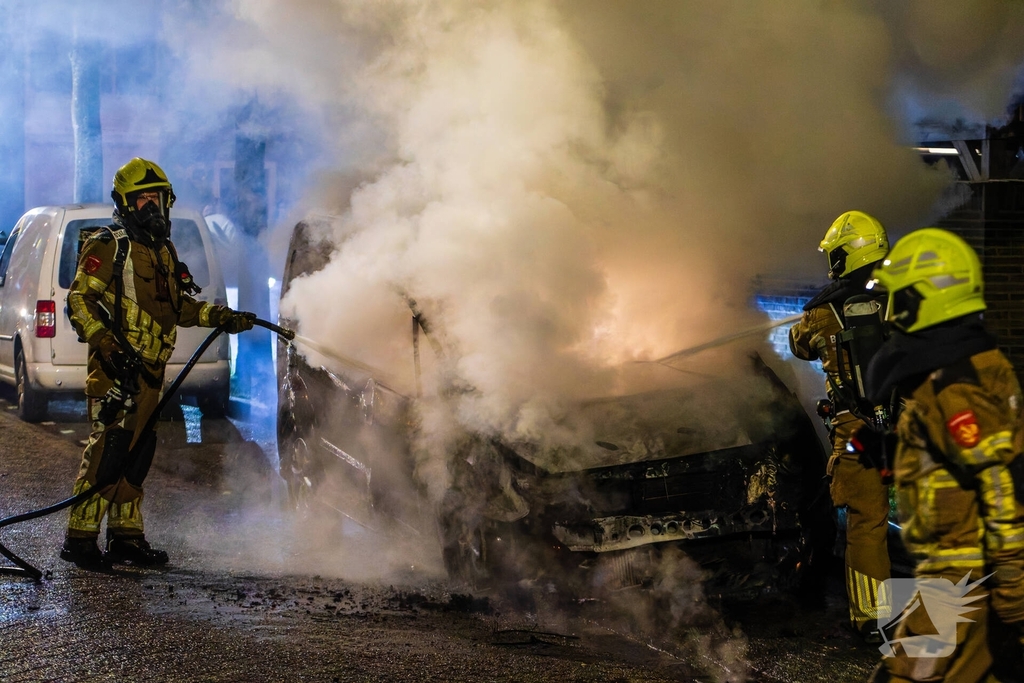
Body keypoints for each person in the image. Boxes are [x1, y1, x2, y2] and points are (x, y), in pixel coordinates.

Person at [60, 158, 256, 570]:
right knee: (109, 452)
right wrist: (106, 345)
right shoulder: (109, 244)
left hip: (151, 371)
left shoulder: (163, 250)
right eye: (141, 199)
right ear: (125, 204)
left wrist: (219, 316)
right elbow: (79, 300)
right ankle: (79, 540)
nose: (151, 206)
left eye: (156, 198)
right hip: (116, 370)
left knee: (138, 452)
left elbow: (179, 308)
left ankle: (126, 538)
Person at [865, 228, 1024, 681]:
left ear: (926, 299)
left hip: (960, 578)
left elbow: (1002, 486)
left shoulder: (955, 386)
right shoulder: (965, 364)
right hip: (964, 576)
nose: (892, 315)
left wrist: (1015, 596)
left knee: (904, 676)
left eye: (901, 300)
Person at [789, 210, 892, 641]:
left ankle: (872, 619)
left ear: (844, 256)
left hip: (859, 433)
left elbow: (800, 348)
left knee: (867, 522)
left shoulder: (821, 311)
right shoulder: (902, 297)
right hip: (916, 425)